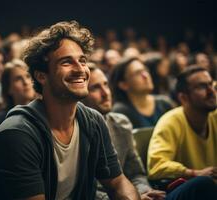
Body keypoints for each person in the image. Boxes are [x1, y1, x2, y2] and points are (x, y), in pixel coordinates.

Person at [0, 21, 140, 200]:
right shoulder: (17, 133)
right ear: (41, 75)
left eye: (82, 61)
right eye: (67, 62)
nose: (80, 69)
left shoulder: (93, 121)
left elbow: (118, 183)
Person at [83, 64, 217, 200]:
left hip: (137, 195)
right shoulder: (78, 131)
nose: (105, 93)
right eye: (95, 88)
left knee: (203, 185)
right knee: (203, 183)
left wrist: (144, 192)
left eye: (106, 85)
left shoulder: (121, 123)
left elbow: (136, 173)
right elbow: (84, 190)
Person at [147, 66, 217, 183]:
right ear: (183, 98)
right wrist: (194, 173)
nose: (211, 91)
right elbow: (156, 166)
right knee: (203, 182)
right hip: (192, 190)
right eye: (202, 86)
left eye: (211, 84)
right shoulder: (170, 122)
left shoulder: (214, 116)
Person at [110, 57, 175, 128]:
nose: (145, 76)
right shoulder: (120, 112)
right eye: (138, 73)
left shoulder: (164, 103)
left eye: (145, 70)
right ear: (123, 85)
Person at [0, 59, 38, 130]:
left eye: (28, 76)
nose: (26, 82)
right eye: (18, 79)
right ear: (8, 88)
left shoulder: (44, 111)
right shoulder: (1, 119)